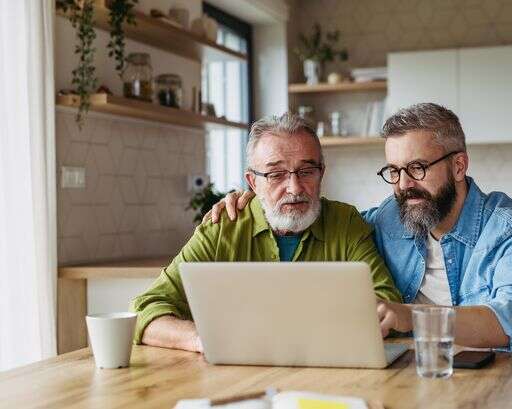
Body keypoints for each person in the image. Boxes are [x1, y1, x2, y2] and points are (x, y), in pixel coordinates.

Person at [208, 103, 512, 408]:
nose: (404, 185)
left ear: (459, 166)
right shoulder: (391, 216)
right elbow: (324, 224)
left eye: (417, 168)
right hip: (423, 393)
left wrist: (410, 316)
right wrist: (256, 200)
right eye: (394, 171)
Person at [130, 113, 401, 353]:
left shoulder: (345, 222)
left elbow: (386, 303)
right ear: (252, 182)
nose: (294, 188)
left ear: (322, 173)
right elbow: (145, 309)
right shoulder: (224, 226)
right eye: (276, 175)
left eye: (306, 171)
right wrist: (202, 340)